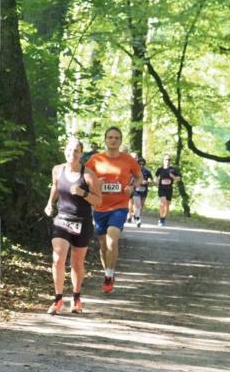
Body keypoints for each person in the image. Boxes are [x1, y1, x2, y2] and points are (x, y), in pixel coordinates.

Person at [44, 139, 101, 314]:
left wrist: (83, 193)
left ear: (81, 154)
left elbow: (98, 201)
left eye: (76, 150)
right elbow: (55, 186)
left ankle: (76, 298)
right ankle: (58, 299)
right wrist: (49, 204)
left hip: (82, 222)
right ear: (64, 151)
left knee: (77, 262)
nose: (72, 153)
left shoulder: (89, 175)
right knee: (58, 258)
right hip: (62, 219)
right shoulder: (57, 170)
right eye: (69, 150)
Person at [83, 126, 142, 294]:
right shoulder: (95, 159)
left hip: (119, 207)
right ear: (105, 140)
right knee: (103, 246)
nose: (113, 140)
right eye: (110, 137)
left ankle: (109, 276)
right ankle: (108, 272)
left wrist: (131, 186)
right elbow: (83, 176)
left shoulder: (128, 159)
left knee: (111, 240)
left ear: (121, 140)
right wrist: (95, 182)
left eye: (116, 137)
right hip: (100, 207)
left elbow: (139, 177)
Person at [155, 154, 182, 226]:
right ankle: (161, 218)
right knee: (162, 203)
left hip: (169, 189)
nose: (168, 161)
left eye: (169, 160)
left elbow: (179, 179)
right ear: (163, 161)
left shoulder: (173, 169)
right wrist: (156, 182)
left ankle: (163, 218)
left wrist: (173, 176)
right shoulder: (160, 169)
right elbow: (156, 177)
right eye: (166, 159)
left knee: (167, 205)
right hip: (161, 188)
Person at [131, 156, 154, 227]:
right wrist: (139, 182)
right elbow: (131, 181)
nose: (141, 166)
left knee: (141, 206)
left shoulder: (147, 172)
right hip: (136, 190)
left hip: (144, 190)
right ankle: (138, 219)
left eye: (143, 164)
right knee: (138, 205)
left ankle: (136, 216)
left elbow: (152, 181)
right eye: (139, 164)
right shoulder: (134, 171)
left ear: (144, 164)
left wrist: (147, 182)